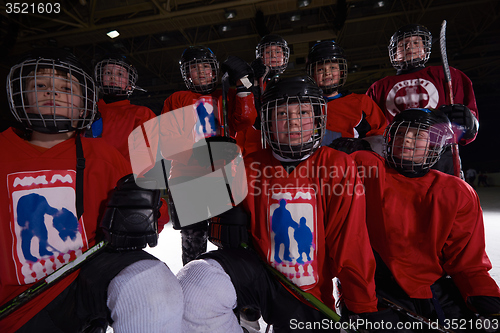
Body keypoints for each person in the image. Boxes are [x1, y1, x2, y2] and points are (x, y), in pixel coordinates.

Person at [176, 75, 385, 333]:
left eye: (304, 111)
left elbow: (350, 241)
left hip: (310, 289)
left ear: (319, 118)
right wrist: (193, 179)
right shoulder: (248, 164)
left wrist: (361, 306)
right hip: (261, 275)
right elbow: (199, 209)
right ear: (268, 122)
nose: (294, 121)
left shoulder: (337, 164)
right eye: (282, 113)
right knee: (194, 283)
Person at [0, 48, 183, 332]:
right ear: (21, 95)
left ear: (83, 100)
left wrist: (138, 214)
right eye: (40, 85)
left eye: (65, 87)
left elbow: (153, 205)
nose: (53, 93)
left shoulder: (104, 154)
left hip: (89, 277)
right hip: (16, 303)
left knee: (152, 287)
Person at [351, 108, 500, 331]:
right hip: (377, 288)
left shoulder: (456, 191)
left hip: (434, 289)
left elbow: (467, 261)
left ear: (435, 145)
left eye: (418, 135)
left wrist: (485, 298)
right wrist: (338, 155)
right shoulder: (367, 168)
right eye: (401, 134)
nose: (406, 140)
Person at [160, 45, 257, 265]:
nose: (202, 72)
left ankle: (232, 284)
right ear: (186, 74)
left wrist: (244, 84)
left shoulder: (228, 94)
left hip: (224, 177)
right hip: (188, 178)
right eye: (195, 68)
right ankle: (194, 284)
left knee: (231, 236)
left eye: (206, 66)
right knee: (193, 241)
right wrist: (198, 153)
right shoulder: (176, 99)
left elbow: (246, 120)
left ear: (215, 70)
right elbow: (167, 141)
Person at [366, 24, 479, 175]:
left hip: (440, 154)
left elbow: (468, 119)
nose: (409, 47)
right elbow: (372, 127)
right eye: (403, 44)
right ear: (394, 53)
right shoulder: (378, 87)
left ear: (425, 49)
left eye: (416, 43)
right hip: (398, 156)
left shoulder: (449, 75)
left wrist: (468, 125)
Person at [306, 40, 387, 154]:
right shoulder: (304, 107)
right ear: (312, 74)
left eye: (333, 68)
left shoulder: (362, 102)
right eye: (320, 69)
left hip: (353, 164)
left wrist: (361, 146)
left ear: (341, 72)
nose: (327, 73)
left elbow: (380, 136)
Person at [92, 54, 158, 165]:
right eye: (108, 73)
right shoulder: (87, 110)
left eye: (120, 74)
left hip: (123, 178)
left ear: (129, 83)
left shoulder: (142, 114)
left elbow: (144, 158)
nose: (113, 77)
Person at [237, 34, 291, 157]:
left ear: (284, 56)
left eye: (277, 51)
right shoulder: (249, 80)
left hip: (282, 144)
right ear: (260, 57)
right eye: (268, 52)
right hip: (255, 144)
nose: (273, 55)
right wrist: (254, 80)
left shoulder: (289, 84)